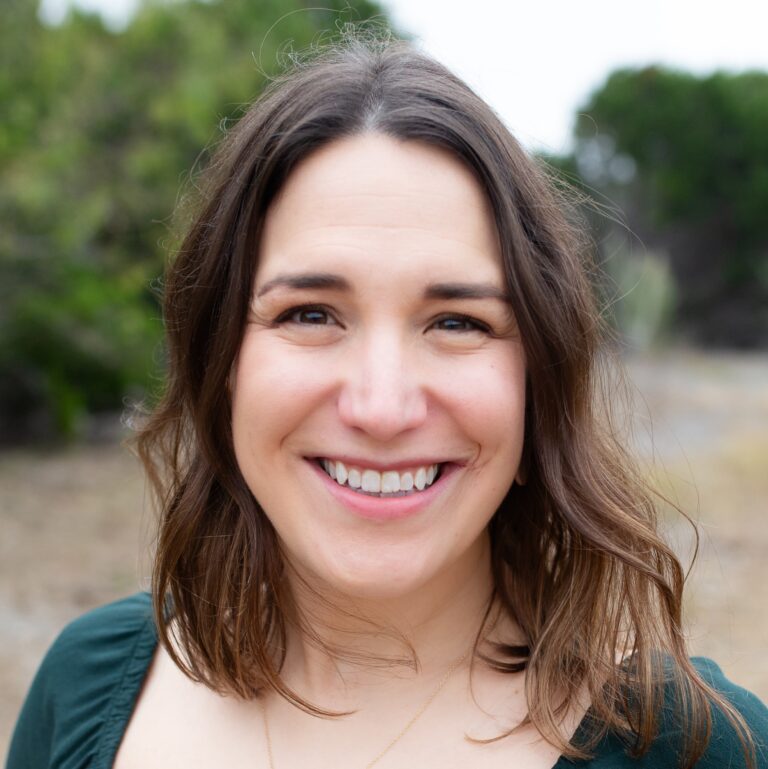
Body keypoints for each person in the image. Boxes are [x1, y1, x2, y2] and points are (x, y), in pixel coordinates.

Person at [7, 34, 768, 769]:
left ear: (539, 381)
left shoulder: (696, 749)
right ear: (223, 361)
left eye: (457, 322)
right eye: (310, 313)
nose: (381, 406)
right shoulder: (86, 687)